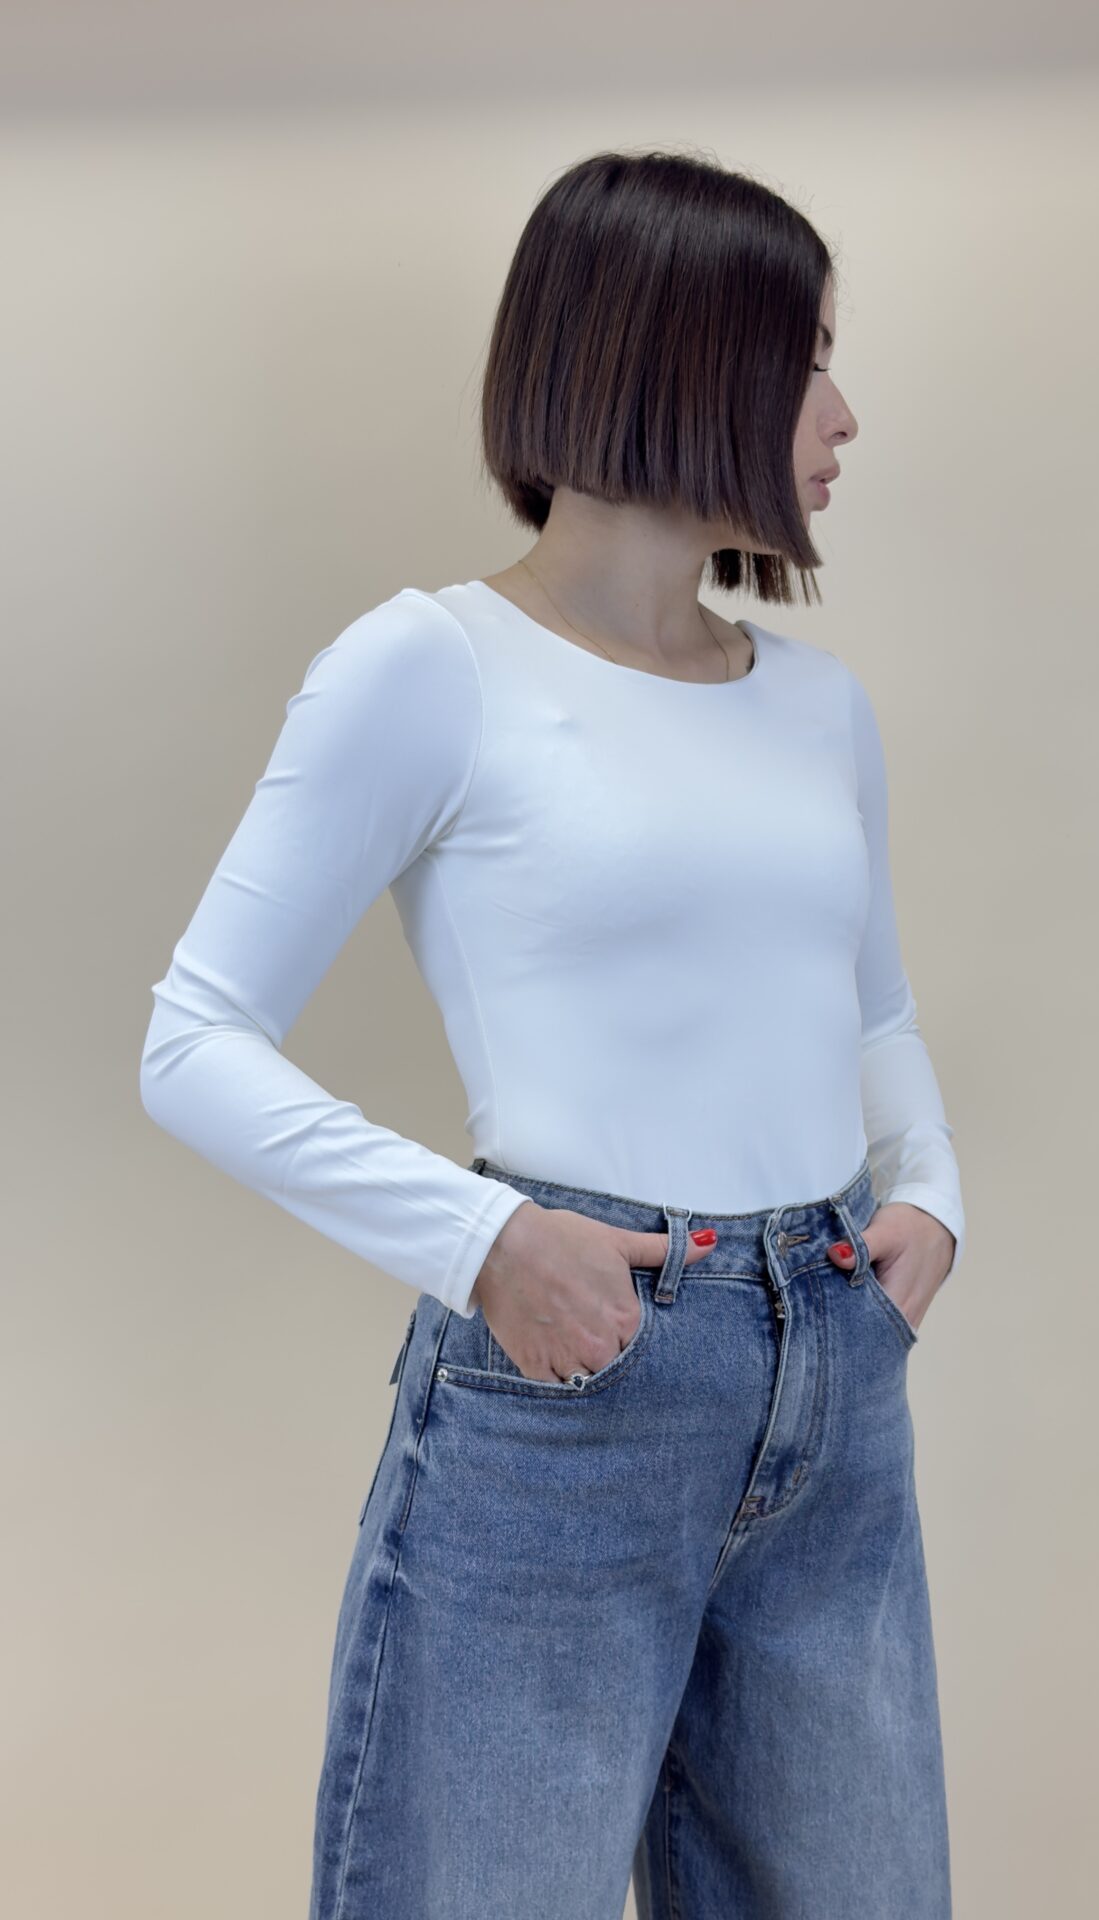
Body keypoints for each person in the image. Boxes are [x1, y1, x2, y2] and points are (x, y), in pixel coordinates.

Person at [139, 147, 967, 1920]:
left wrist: (935, 1193)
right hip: (573, 1387)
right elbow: (191, 1039)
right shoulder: (430, 667)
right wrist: (483, 1242)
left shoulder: (819, 708)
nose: (844, 414)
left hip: (835, 1379)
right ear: (685, 357)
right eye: (811, 357)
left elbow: (872, 1004)